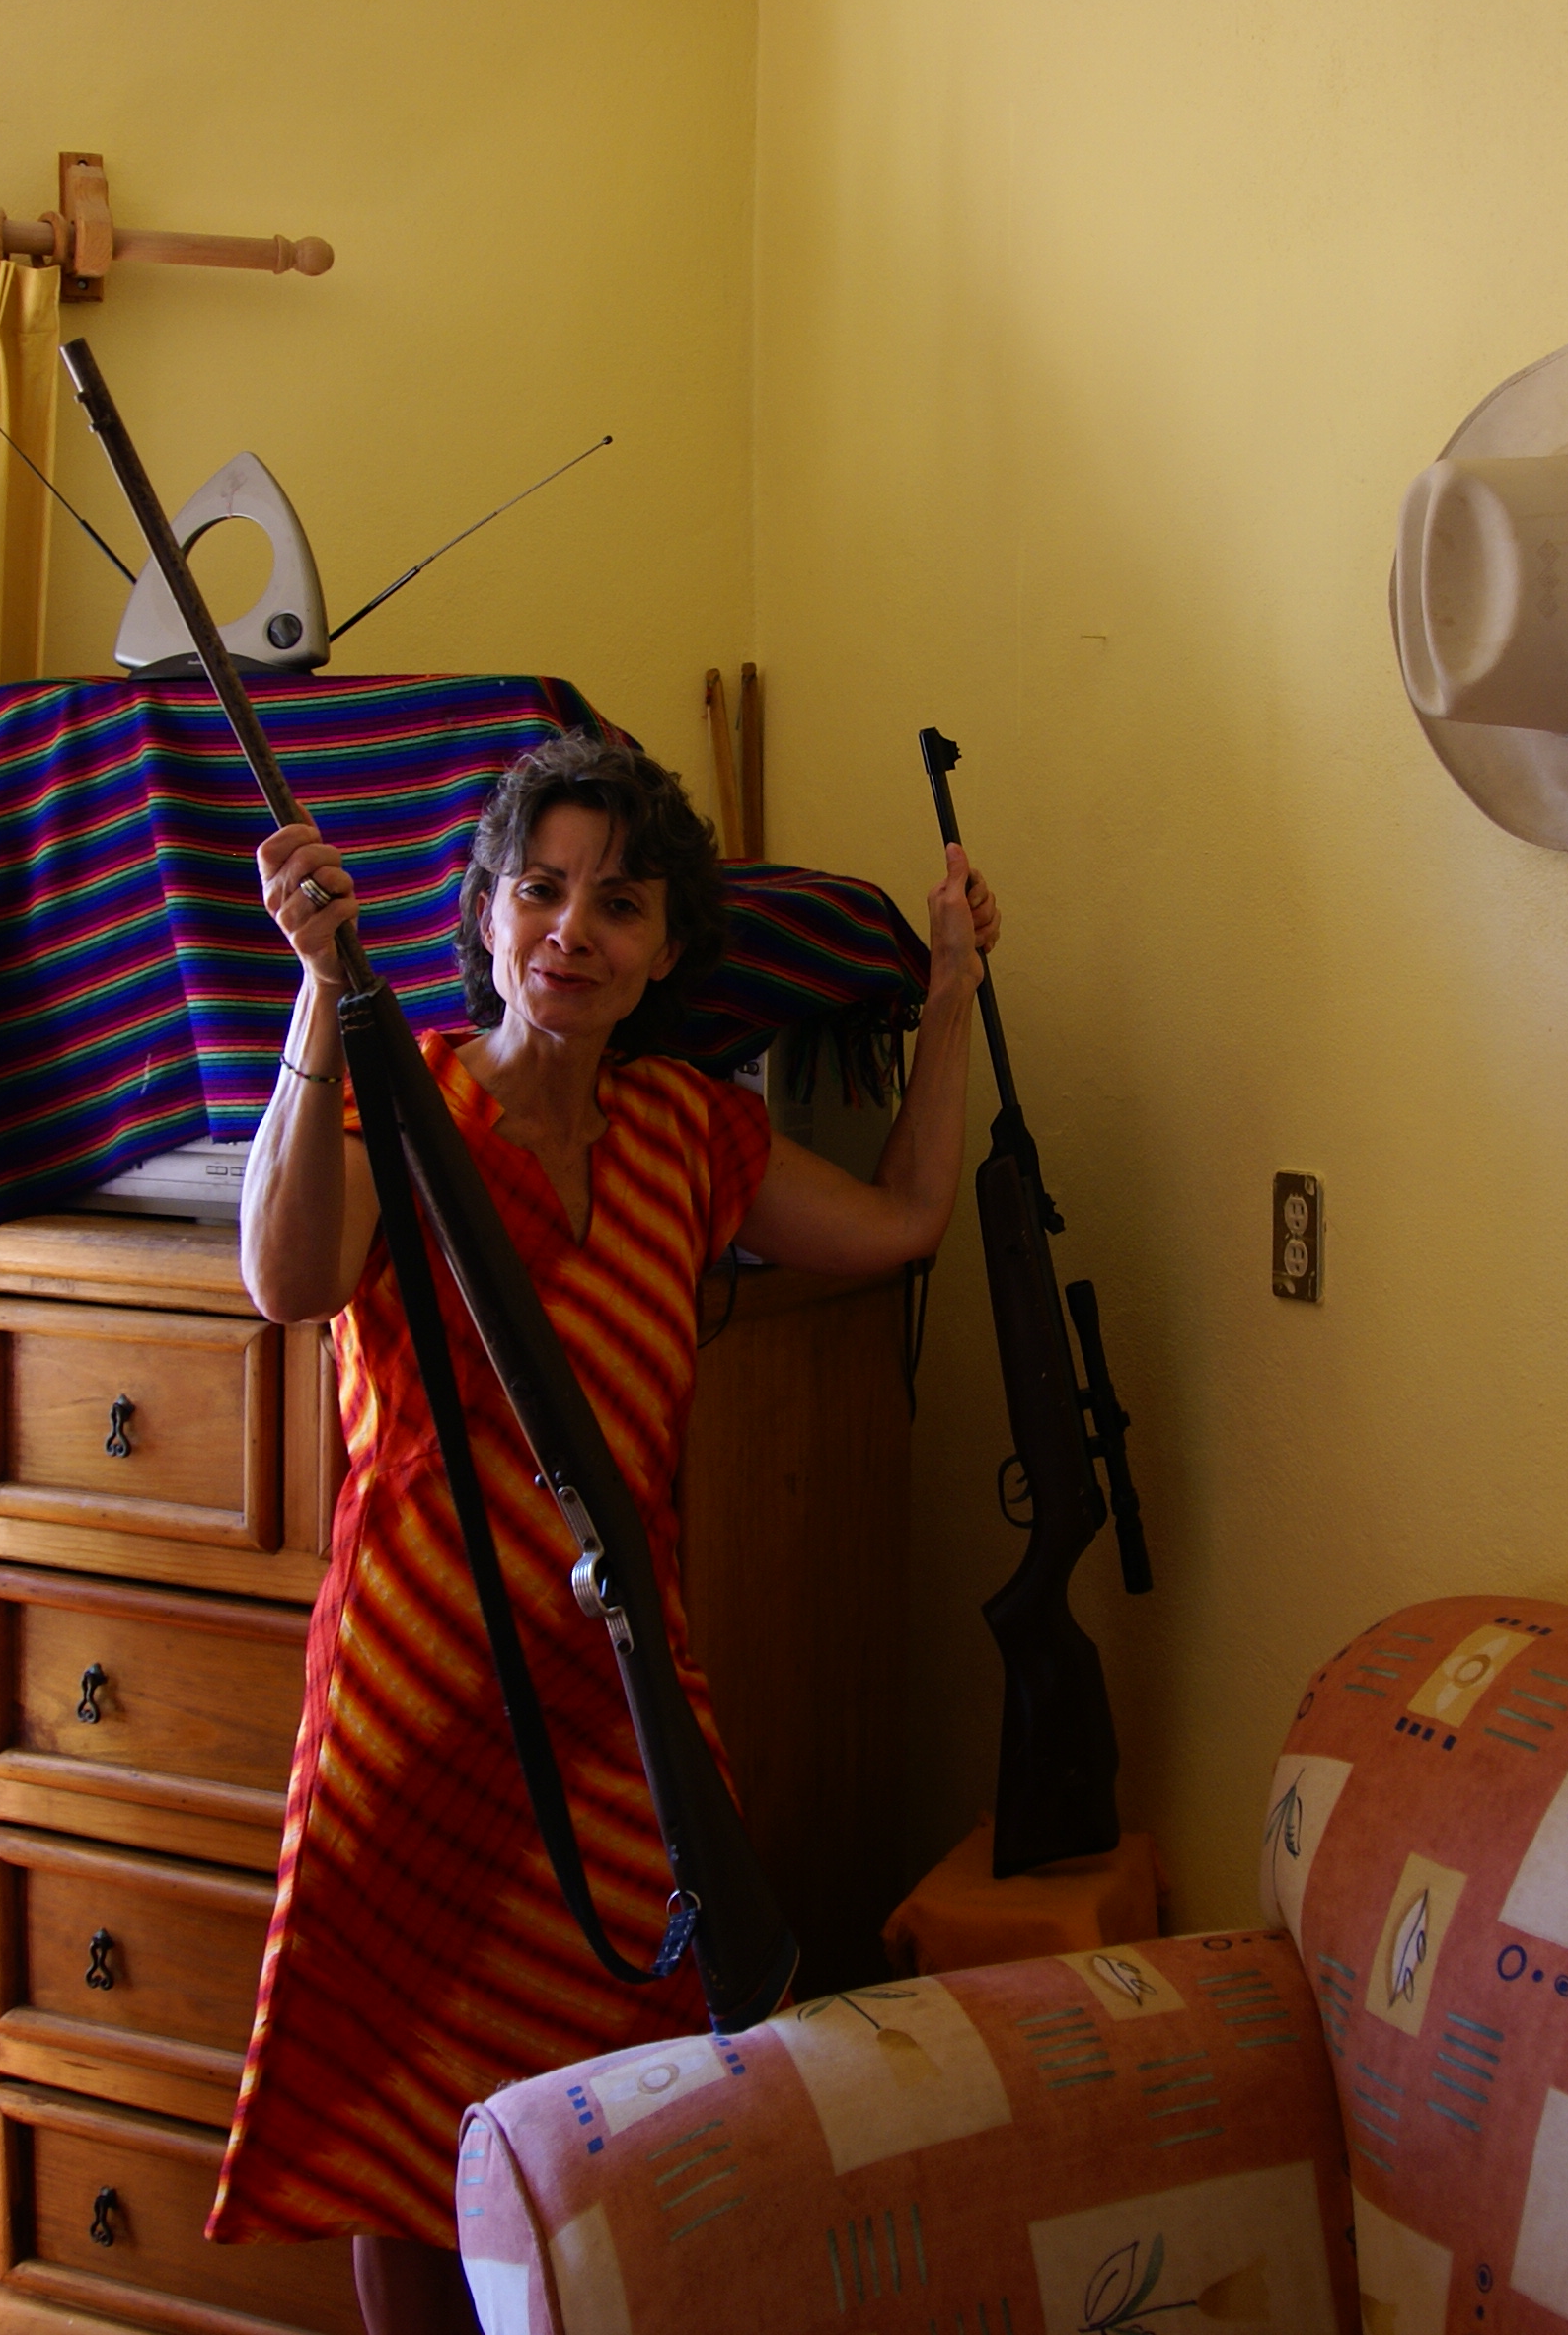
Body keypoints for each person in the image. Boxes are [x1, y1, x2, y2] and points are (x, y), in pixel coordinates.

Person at [208, 728, 994, 2330]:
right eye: (542, 891)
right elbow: (286, 1281)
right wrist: (315, 991)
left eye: (619, 903)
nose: (573, 930)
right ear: (487, 913)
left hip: (620, 1718)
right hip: (412, 1703)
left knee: (643, 2105)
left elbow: (907, 1222)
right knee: (401, 2132)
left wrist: (954, 996)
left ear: (666, 948)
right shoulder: (407, 1098)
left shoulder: (689, 1135)